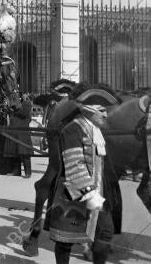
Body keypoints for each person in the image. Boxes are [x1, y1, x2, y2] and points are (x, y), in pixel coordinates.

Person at [46, 104, 117, 264]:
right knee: (65, 241)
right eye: (102, 110)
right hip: (72, 194)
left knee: (105, 231)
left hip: (96, 192)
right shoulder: (73, 129)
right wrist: (90, 195)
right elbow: (74, 164)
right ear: (88, 109)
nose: (106, 114)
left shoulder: (96, 130)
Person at [3, 94, 33, 178]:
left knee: (25, 153)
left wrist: (15, 108)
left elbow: (24, 114)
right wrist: (8, 108)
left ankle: (28, 172)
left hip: (23, 132)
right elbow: (8, 115)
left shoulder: (27, 103)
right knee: (14, 152)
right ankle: (16, 171)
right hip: (13, 131)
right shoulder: (14, 105)